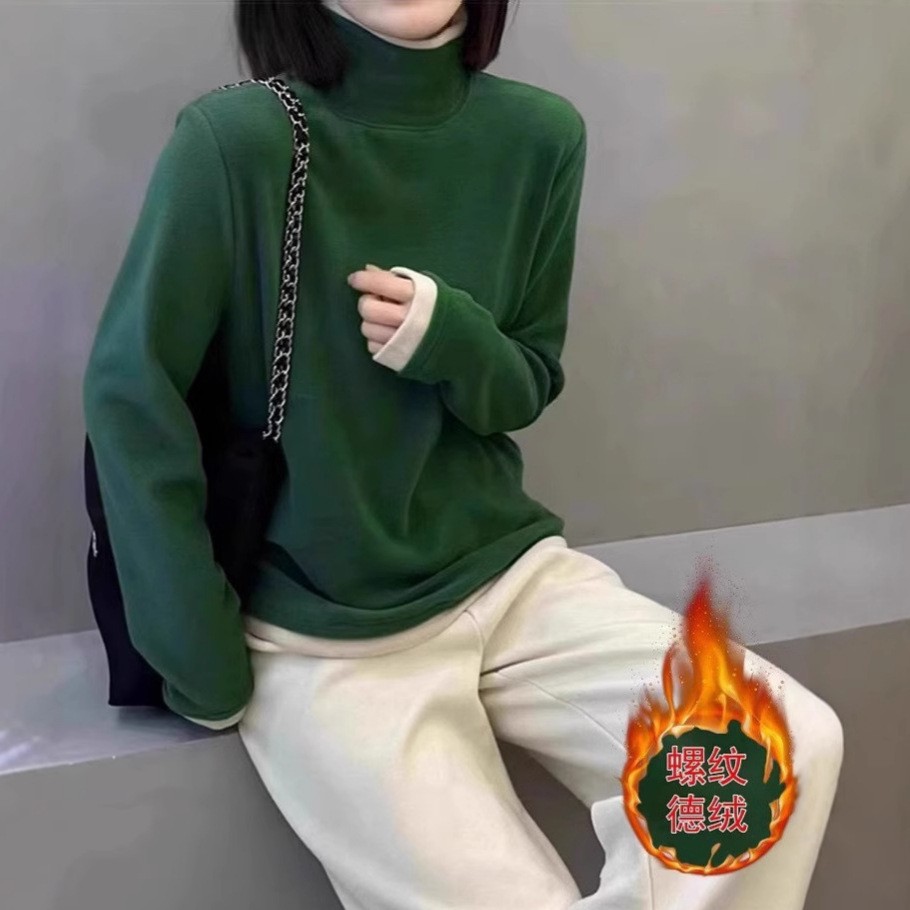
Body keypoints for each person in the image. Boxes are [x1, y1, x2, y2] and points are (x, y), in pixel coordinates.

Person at [82, 1, 844, 907]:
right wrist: (195, 653)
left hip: (512, 580)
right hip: (327, 637)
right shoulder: (237, 141)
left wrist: (454, 340)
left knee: (778, 752)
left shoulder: (538, 135)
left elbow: (526, 385)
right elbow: (132, 394)